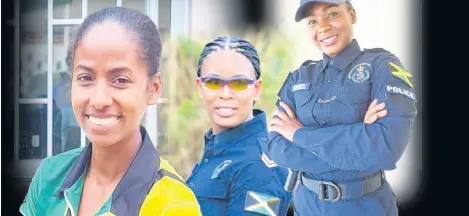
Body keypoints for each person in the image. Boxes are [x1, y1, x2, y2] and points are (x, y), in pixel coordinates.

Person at [19, 7, 202, 216]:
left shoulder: (172, 205)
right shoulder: (50, 176)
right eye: (85, 78)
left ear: (154, 88)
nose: (99, 100)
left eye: (120, 80)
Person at [261, 0, 418, 215]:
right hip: (307, 208)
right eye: (312, 21)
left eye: (332, 14)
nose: (323, 27)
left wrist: (299, 134)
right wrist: (358, 137)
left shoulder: (381, 66)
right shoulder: (298, 77)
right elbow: (277, 149)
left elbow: (385, 147)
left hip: (364, 207)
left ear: (352, 15)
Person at [186, 36, 293, 216]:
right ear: (200, 87)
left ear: (256, 89)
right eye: (213, 82)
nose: (226, 94)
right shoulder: (217, 150)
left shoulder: (258, 167)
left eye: (239, 83)